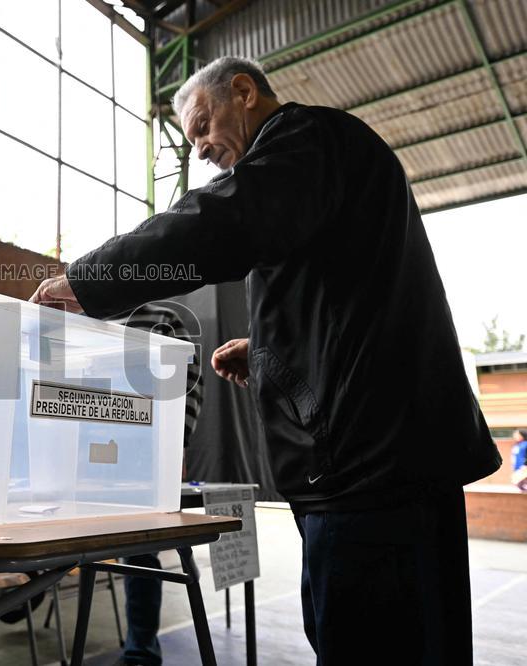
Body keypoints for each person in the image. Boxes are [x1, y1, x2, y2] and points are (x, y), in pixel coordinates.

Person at [30, 56, 501, 665]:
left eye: (203, 126)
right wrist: (271, 350)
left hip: (371, 476)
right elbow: (343, 301)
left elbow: (228, 218)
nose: (199, 149)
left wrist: (92, 279)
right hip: (379, 465)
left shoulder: (306, 141)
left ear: (244, 93)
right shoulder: (322, 167)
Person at [111, 303, 203, 665]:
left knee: (140, 548)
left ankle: (140, 651)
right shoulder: (89, 314)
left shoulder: (165, 316)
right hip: (91, 441)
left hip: (144, 450)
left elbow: (189, 380)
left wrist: (176, 442)